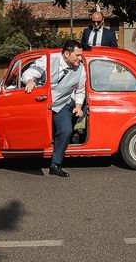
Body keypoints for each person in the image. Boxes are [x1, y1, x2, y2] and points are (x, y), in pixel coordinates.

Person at [22, 40, 86, 177]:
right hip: (41, 102)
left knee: (66, 130)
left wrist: (79, 106)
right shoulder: (49, 58)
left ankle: (55, 164)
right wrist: (30, 80)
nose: (80, 59)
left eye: (81, 55)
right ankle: (22, 154)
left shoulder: (81, 69)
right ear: (67, 53)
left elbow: (80, 90)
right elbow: (30, 71)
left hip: (62, 103)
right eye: (77, 55)